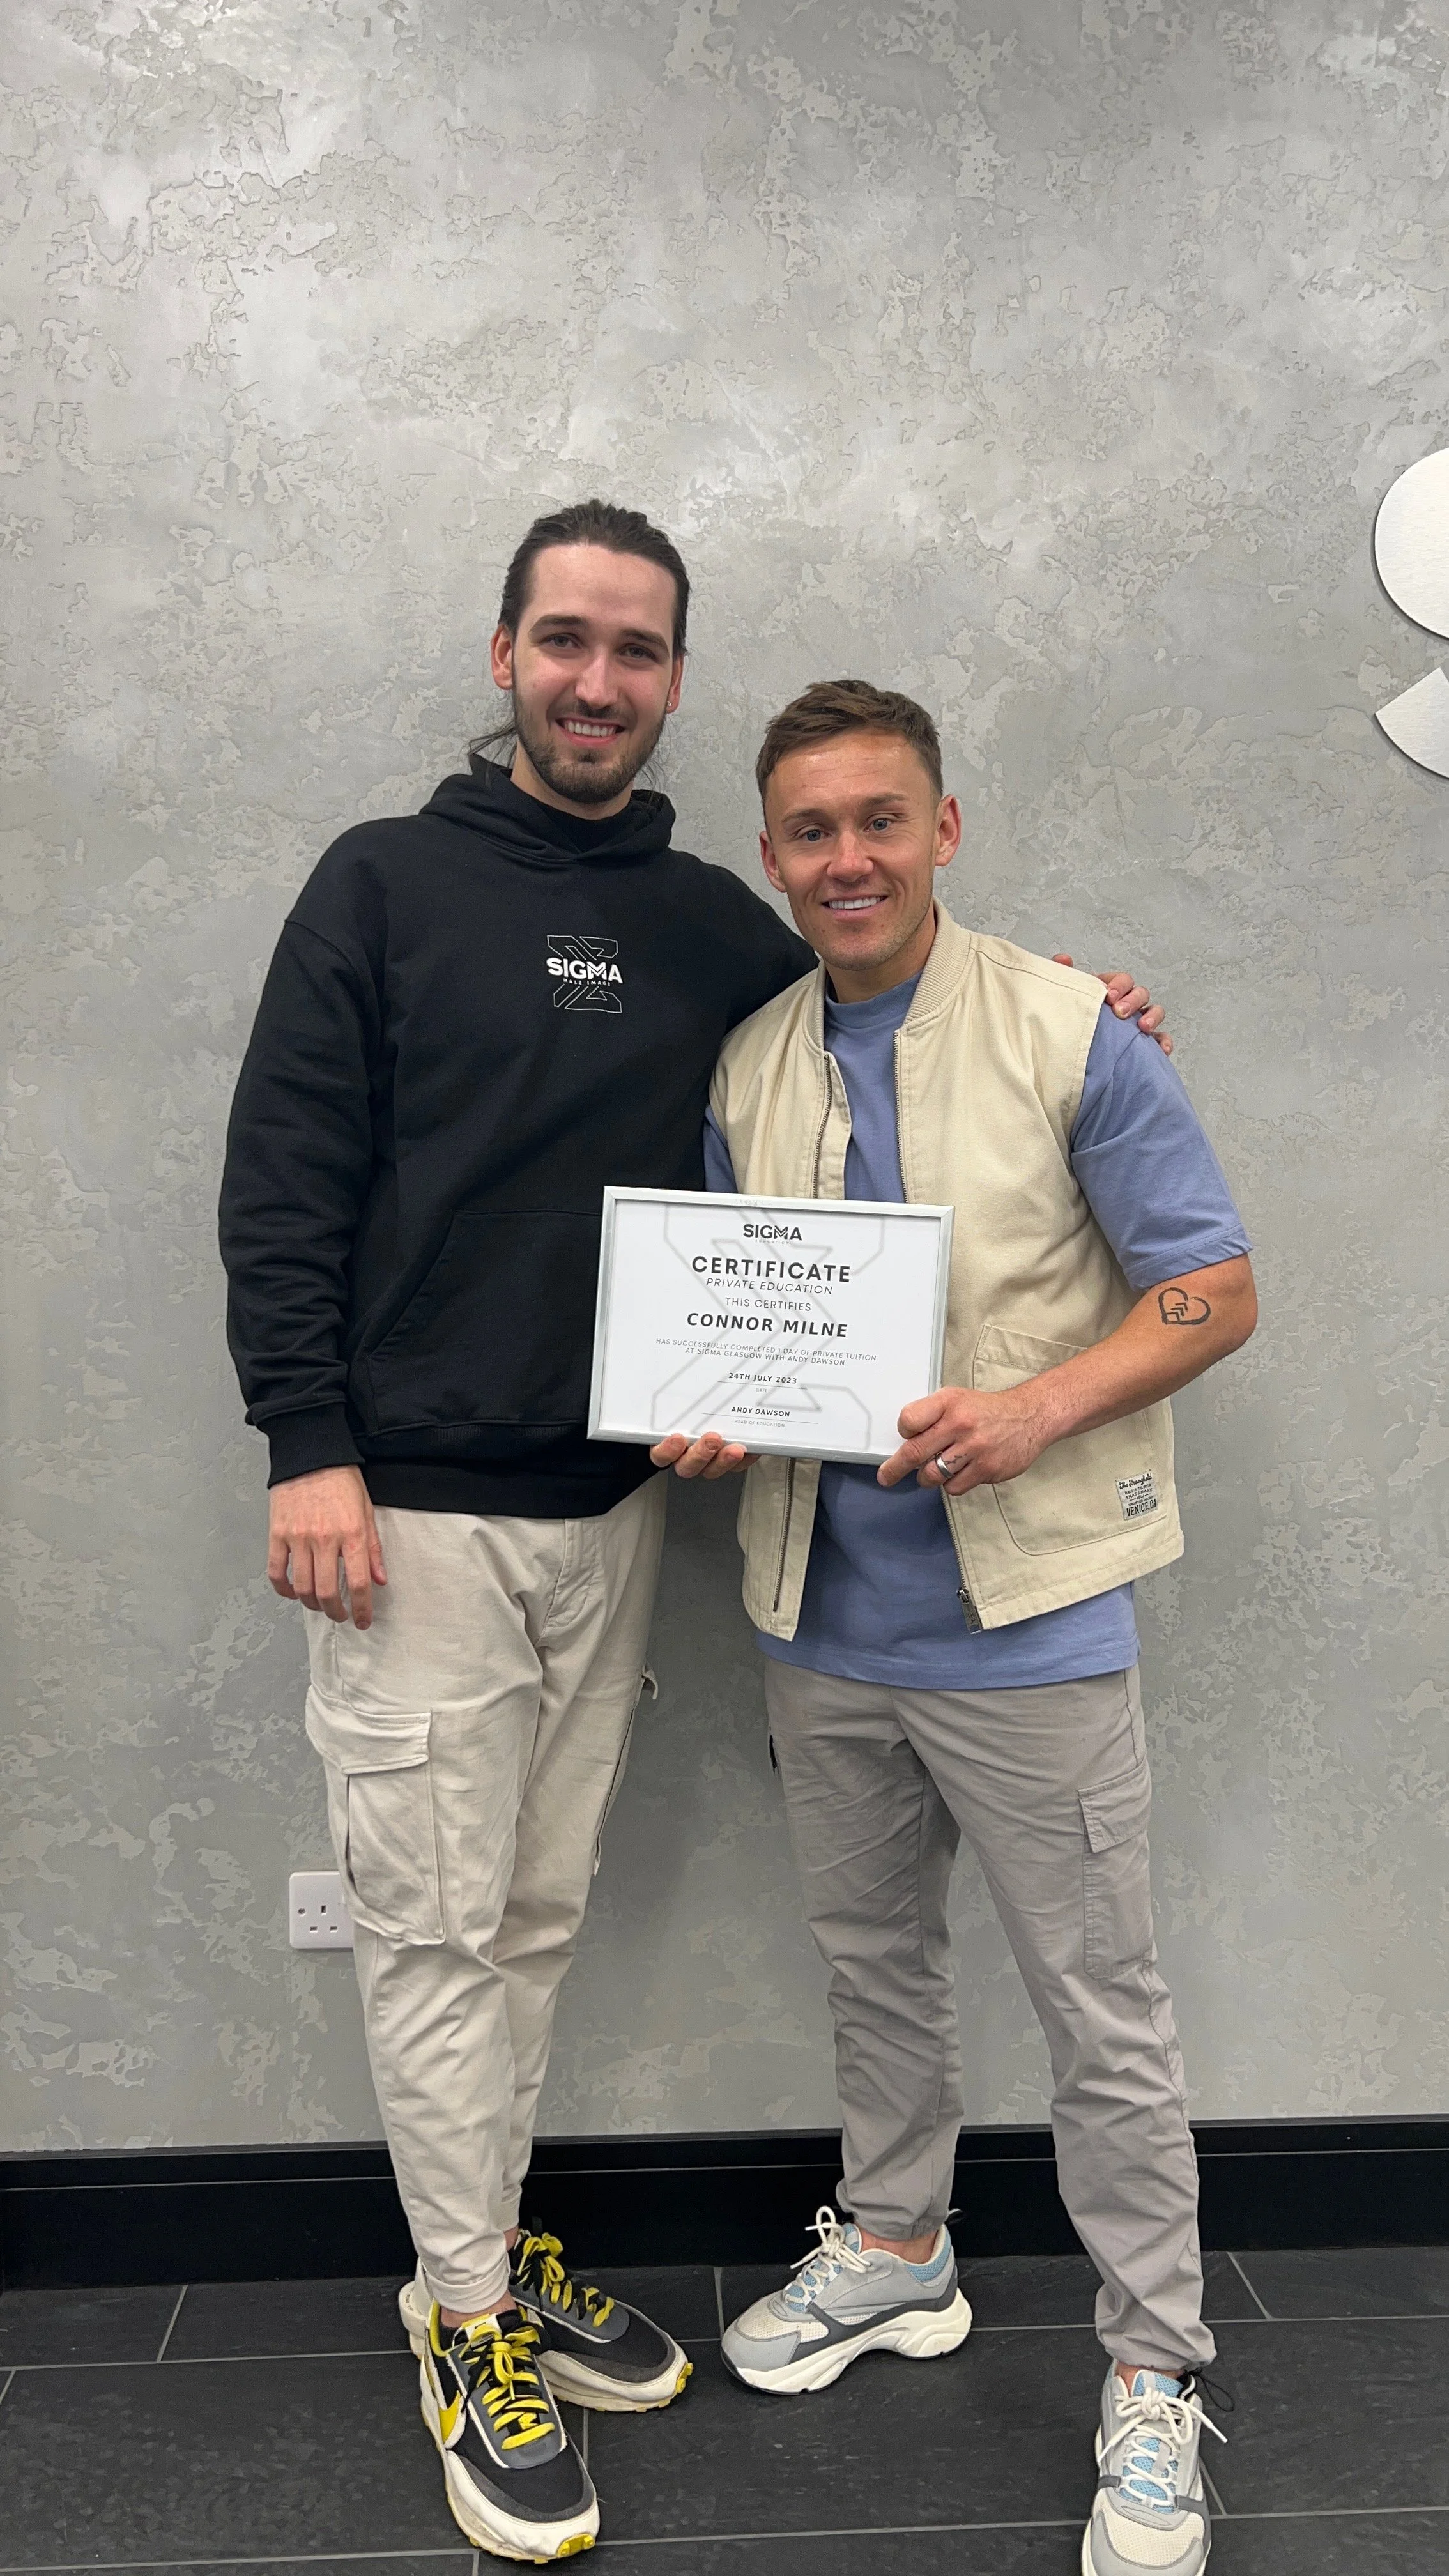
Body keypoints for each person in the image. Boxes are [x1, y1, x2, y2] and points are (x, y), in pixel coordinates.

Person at [218, 509, 1170, 2566]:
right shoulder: (378, 886)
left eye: (636, 650)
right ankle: (462, 2320)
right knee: (432, 1927)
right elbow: (285, 1171)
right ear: (504, 653)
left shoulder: (717, 931)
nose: (596, 680)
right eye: (564, 639)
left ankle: (481, 2257)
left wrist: (1089, 1012)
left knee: (529, 1919)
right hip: (405, 1519)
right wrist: (306, 1444)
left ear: (670, 680)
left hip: (617, 1510)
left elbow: (887, 985)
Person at [654, 679, 1255, 2576]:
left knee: (1102, 2012)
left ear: (943, 829)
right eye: (812, 830)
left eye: (881, 819)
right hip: (817, 1618)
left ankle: (1154, 2368)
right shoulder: (749, 1060)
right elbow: (749, 1314)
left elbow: (1213, 1290)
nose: (849, 857)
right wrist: (709, 1407)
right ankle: (900, 2245)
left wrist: (1032, 1412)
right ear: (773, 856)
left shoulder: (1072, 1028)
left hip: (1031, 1627)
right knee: (873, 1967)